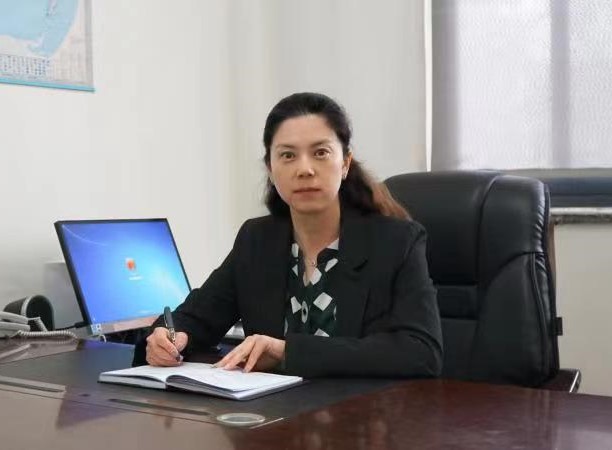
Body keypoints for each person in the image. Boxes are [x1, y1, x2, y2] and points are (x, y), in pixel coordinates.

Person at [138, 92, 443, 378]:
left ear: (345, 163)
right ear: (270, 169)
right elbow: (196, 318)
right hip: (272, 414)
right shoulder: (257, 240)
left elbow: (421, 352)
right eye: (287, 155)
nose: (304, 169)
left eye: (321, 153)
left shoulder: (396, 242)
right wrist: (169, 337)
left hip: (361, 413)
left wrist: (288, 352)